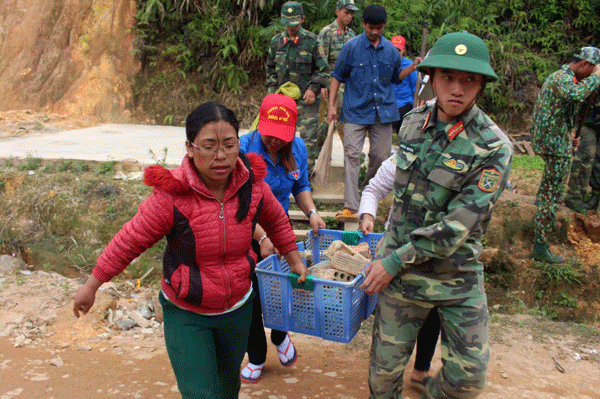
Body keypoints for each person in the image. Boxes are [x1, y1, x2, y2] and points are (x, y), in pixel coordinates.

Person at [72, 102, 309, 399]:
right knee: (201, 394)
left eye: (229, 145)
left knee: (227, 389)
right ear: (190, 147)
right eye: (209, 146)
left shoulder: (252, 184)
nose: (221, 156)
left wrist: (295, 261)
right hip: (187, 312)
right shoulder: (172, 194)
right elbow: (130, 239)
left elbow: (276, 220)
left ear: (241, 144)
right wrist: (92, 284)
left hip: (237, 309)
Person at [360, 31, 513, 398]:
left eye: (469, 80)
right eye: (448, 77)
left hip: (455, 277)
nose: (457, 89)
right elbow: (396, 193)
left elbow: (458, 227)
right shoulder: (413, 122)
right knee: (382, 380)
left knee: (467, 380)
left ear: (481, 85)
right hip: (403, 278)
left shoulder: (494, 147)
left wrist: (392, 261)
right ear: (432, 77)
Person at [238, 94, 326, 383]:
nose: (275, 141)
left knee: (280, 289)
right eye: (270, 135)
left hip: (280, 228)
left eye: (281, 136)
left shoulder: (297, 148)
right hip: (246, 229)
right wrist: (261, 237)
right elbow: (237, 201)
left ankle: (279, 334)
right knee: (251, 295)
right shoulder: (244, 150)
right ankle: (257, 355)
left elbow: (300, 185)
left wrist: (311, 211)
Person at [358, 155, 441, 393]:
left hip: (435, 252)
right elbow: (374, 189)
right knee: (392, 315)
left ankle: (421, 370)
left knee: (433, 309)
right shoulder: (407, 154)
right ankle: (385, 377)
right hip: (396, 252)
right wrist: (367, 215)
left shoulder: (458, 156)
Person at [327, 4, 404, 221]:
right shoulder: (351, 47)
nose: (375, 32)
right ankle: (351, 205)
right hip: (355, 111)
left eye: (379, 28)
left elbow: (396, 77)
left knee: (381, 155)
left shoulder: (391, 50)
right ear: (363, 24)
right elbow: (336, 77)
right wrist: (332, 106)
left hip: (384, 112)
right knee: (352, 155)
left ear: (385, 26)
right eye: (371, 27)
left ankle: (369, 191)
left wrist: (415, 67)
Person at [531, 46, 600, 264]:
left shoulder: (562, 77)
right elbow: (575, 94)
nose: (591, 74)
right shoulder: (563, 78)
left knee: (548, 188)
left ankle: (539, 221)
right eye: (592, 70)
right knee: (553, 194)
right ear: (584, 65)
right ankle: (540, 246)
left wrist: (568, 136)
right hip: (553, 144)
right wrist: (596, 79)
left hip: (555, 139)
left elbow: (557, 111)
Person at [266, 1, 329, 172]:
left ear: (302, 19)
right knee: (282, 139)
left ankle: (305, 178)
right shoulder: (276, 42)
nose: (291, 27)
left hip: (306, 101)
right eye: (287, 23)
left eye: (294, 23)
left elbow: (324, 71)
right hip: (283, 102)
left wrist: (313, 89)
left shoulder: (312, 41)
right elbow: (270, 70)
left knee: (308, 141)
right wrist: (272, 94)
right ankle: (284, 175)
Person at [317, 0, 359, 143]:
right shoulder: (327, 32)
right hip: (331, 82)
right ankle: (319, 151)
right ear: (337, 12)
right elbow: (321, 61)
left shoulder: (352, 35)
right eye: (346, 12)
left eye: (352, 13)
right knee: (327, 120)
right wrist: (322, 84)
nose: (349, 16)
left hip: (349, 85)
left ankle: (351, 151)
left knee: (345, 119)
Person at [564, 90, 600, 213]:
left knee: (597, 160)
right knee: (585, 157)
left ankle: (595, 195)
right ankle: (574, 197)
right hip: (587, 118)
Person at [390, 35, 421, 135]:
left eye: (398, 50)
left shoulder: (410, 65)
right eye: (393, 50)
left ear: (403, 51)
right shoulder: (385, 63)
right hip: (389, 102)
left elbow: (415, 88)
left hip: (404, 102)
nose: (395, 53)